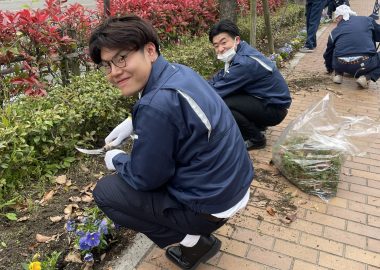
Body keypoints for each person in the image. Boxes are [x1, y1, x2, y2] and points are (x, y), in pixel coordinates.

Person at [89, 15, 254, 270]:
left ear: (150, 50)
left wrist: (116, 159)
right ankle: (194, 233)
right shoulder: (178, 71)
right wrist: (132, 121)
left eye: (121, 58)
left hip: (211, 205)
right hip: (234, 185)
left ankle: (193, 242)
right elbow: (171, 109)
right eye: (107, 65)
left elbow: (145, 178)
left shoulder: (157, 106)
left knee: (107, 193)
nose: (114, 72)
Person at [208, 19, 291, 150]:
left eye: (224, 43)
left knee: (223, 102)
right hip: (269, 101)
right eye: (216, 45)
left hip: (274, 109)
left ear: (237, 40)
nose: (220, 49)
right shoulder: (240, 50)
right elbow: (221, 77)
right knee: (231, 95)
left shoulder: (244, 63)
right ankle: (258, 125)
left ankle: (256, 139)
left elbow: (214, 92)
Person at [323, 5, 380, 89]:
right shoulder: (367, 20)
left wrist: (330, 68)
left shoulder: (334, 32)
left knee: (335, 48)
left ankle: (338, 75)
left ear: (340, 17)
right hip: (363, 63)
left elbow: (328, 54)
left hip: (340, 64)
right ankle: (367, 77)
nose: (336, 22)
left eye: (336, 19)